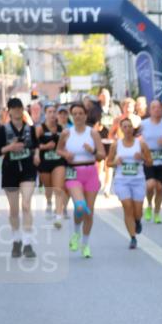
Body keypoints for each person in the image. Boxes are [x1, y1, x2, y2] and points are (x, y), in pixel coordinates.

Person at [57, 102, 106, 258]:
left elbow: (102, 155)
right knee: (80, 206)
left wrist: (93, 151)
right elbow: (59, 149)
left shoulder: (93, 133)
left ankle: (85, 243)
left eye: (80, 113)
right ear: (72, 116)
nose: (78, 116)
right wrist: (66, 155)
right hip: (73, 173)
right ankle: (76, 233)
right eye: (75, 113)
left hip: (91, 172)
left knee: (89, 212)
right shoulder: (66, 133)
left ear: (85, 116)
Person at [0, 97, 39, 258]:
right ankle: (16, 239)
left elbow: (36, 146)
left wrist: (37, 155)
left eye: (19, 108)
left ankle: (27, 243)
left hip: (27, 170)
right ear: (9, 111)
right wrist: (10, 147)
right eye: (14, 108)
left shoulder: (30, 129)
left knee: (26, 205)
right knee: (14, 209)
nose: (17, 111)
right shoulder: (3, 130)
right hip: (10, 171)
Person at [108, 117, 152, 249]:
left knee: (137, 211)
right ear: (121, 129)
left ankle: (137, 220)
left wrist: (142, 158)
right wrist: (115, 162)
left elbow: (150, 162)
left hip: (138, 180)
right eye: (124, 127)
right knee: (127, 207)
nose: (127, 129)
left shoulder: (141, 144)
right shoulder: (116, 145)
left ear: (133, 128)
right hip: (122, 180)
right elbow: (108, 162)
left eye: (129, 126)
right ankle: (133, 237)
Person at [35, 104, 68, 229]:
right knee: (49, 188)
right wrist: (44, 147)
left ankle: (58, 216)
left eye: (55, 112)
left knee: (58, 189)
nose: (53, 114)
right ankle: (49, 202)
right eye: (50, 112)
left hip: (58, 161)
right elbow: (33, 145)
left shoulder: (62, 129)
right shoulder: (40, 129)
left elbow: (66, 145)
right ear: (45, 114)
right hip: (44, 162)